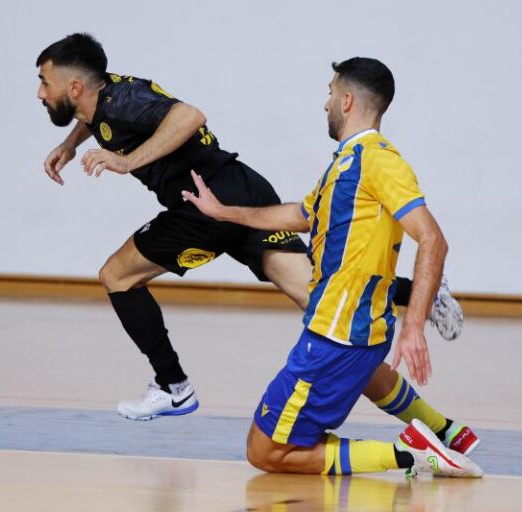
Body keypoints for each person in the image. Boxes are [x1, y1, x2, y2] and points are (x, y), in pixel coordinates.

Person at [34, 34, 473, 457]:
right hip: (243, 191)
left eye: (44, 83)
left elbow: (190, 115)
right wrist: (71, 144)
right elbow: (97, 119)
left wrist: (126, 162)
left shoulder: (121, 103)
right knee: (329, 310)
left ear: (75, 87)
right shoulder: (108, 97)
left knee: (117, 275)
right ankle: (420, 308)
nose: (39, 93)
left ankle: (173, 386)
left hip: (200, 208)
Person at [182, 57, 482, 476]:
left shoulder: (377, 161)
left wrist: (414, 324)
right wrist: (225, 212)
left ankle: (411, 453)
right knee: (367, 374)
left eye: (329, 93)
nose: (324, 104)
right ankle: (445, 431)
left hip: (334, 336)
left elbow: (433, 238)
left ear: (346, 100)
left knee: (264, 451)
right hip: (357, 332)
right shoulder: (345, 163)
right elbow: (299, 215)